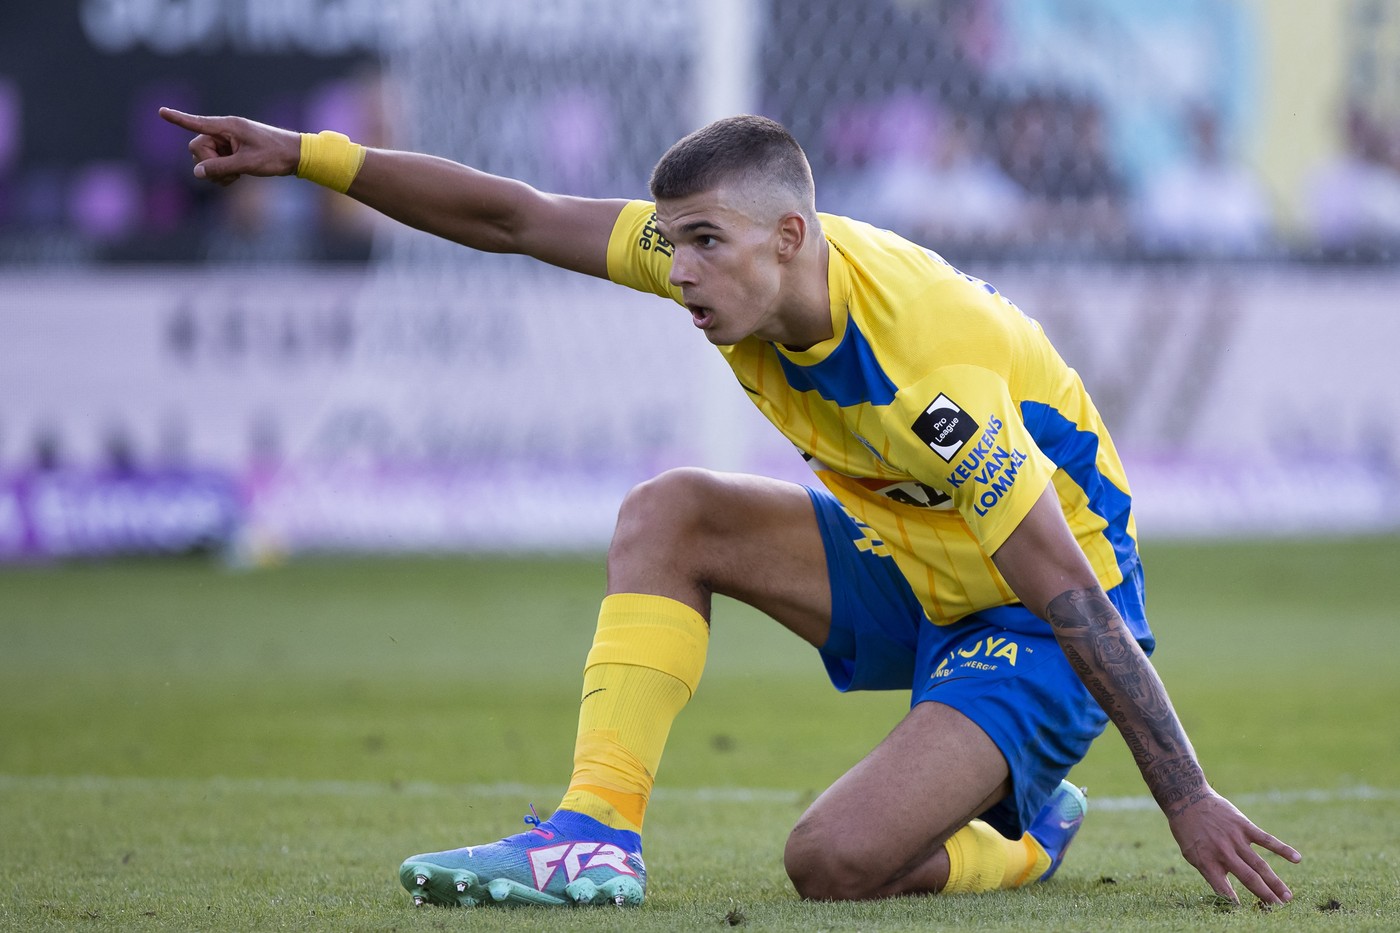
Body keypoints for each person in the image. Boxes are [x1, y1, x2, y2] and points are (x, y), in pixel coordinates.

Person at [160, 106, 1300, 910]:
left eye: (705, 245)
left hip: (1033, 625)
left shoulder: (927, 371)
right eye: (674, 246)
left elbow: (1070, 593)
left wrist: (1185, 795)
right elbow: (514, 215)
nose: (682, 273)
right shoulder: (720, 256)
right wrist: (308, 157)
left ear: (788, 237)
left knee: (832, 864)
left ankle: (1022, 843)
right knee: (673, 513)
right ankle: (591, 837)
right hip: (909, 557)